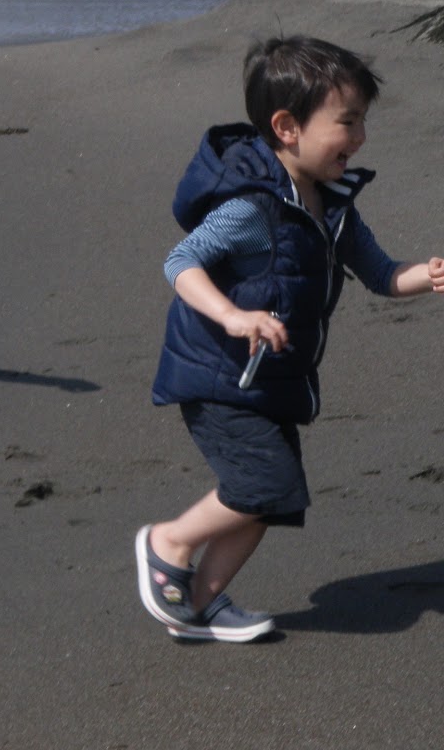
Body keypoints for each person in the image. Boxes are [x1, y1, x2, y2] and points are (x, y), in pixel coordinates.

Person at [136, 36, 444, 642]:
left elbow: (382, 274)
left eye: (363, 122)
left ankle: (196, 604)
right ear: (287, 127)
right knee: (261, 486)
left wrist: (429, 275)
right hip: (220, 375)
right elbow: (181, 261)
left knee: (272, 497)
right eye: (347, 122)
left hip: (271, 379)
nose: (359, 137)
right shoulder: (254, 208)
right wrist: (232, 315)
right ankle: (168, 542)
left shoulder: (333, 207)